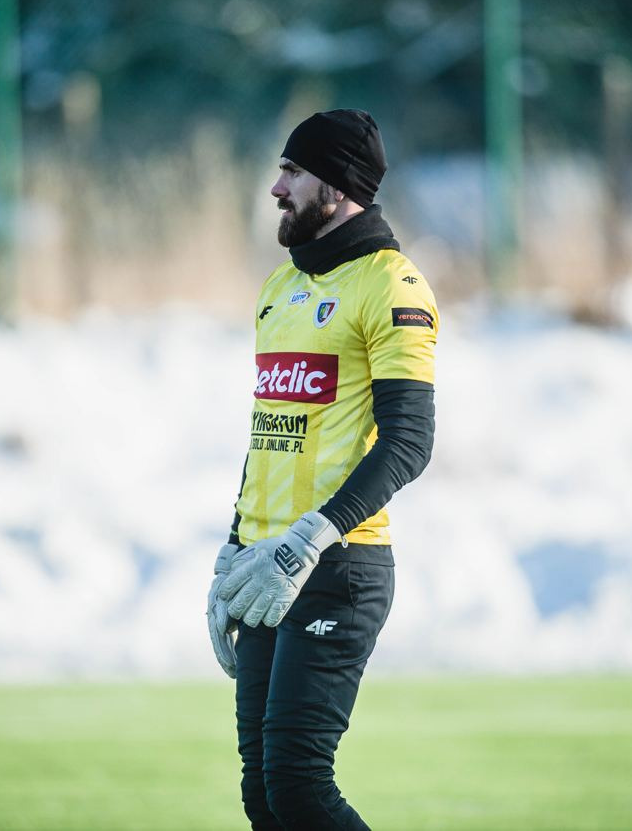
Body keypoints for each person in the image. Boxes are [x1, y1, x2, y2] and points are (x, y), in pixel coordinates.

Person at [206, 109, 438, 830]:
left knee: (301, 786)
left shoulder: (393, 285)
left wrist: (311, 537)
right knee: (265, 799)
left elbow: (409, 443)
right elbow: (270, 436)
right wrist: (234, 547)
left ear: (338, 187)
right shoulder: (279, 287)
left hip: (337, 566)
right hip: (265, 564)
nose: (276, 188)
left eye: (293, 172)